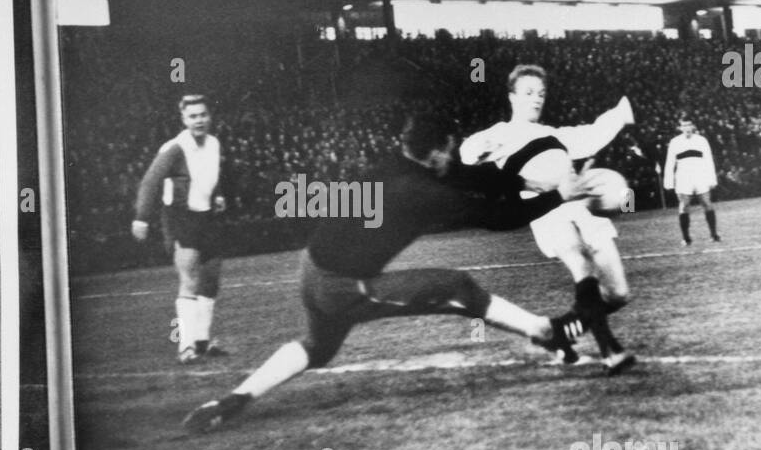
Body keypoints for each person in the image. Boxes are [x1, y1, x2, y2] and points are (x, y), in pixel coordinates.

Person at [182, 110, 594, 433]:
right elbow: (496, 218)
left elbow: (464, 176)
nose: (451, 158)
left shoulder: (397, 165)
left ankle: (232, 401)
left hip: (311, 268)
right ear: (435, 152)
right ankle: (549, 332)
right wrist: (557, 195)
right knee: (456, 286)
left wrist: (520, 179)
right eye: (448, 151)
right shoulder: (418, 193)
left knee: (317, 348)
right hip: (341, 286)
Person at [460, 64, 636, 373]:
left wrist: (621, 112)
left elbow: (594, 134)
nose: (536, 99)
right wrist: (477, 148)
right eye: (528, 93)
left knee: (619, 294)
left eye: (541, 93)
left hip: (581, 206)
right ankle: (611, 350)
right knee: (581, 262)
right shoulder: (500, 133)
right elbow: (467, 152)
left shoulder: (556, 134)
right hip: (545, 210)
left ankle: (554, 331)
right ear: (512, 97)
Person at [132, 94, 230, 363]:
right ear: (184, 119)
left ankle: (202, 341)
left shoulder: (213, 143)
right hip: (179, 218)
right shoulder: (175, 148)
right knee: (189, 279)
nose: (198, 120)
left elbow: (209, 172)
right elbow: (150, 182)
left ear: (209, 117)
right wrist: (141, 217)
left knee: (211, 277)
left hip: (206, 216)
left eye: (203, 115)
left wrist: (217, 194)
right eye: (193, 116)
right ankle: (185, 346)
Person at [663, 116, 720, 246]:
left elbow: (709, 160)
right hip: (683, 177)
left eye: (689, 124)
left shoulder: (702, 140)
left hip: (700, 175)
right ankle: (686, 238)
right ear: (680, 127)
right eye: (684, 125)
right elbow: (670, 163)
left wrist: (712, 178)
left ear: (693, 126)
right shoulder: (674, 142)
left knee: (706, 203)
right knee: (684, 206)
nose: (687, 128)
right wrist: (668, 181)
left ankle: (714, 235)